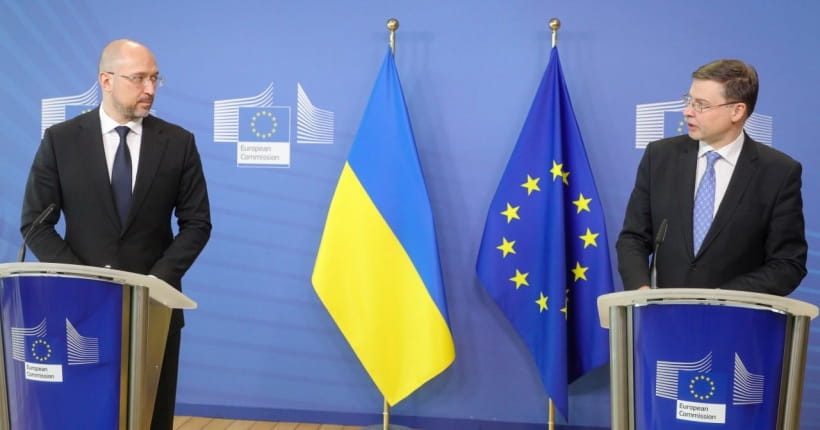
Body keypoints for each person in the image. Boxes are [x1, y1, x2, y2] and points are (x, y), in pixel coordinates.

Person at [20, 39, 211, 429]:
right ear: (106, 80)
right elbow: (35, 224)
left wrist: (153, 285)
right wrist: (82, 283)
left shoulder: (178, 143)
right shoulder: (60, 140)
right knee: (82, 415)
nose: (150, 89)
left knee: (151, 417)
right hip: (79, 312)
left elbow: (197, 223)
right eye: (138, 78)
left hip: (154, 310)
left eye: (155, 79)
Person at [616, 59, 806, 296]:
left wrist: (719, 298)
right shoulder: (660, 156)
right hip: (662, 311)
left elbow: (787, 264)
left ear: (737, 111)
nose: (687, 111)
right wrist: (642, 291)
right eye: (689, 100)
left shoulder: (778, 171)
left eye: (701, 105)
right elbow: (633, 238)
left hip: (735, 314)